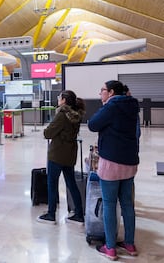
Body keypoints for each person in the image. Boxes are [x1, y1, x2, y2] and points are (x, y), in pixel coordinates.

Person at [88, 80, 139, 260]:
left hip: (111, 162)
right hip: (130, 161)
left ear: (110, 92)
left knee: (109, 204)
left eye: (102, 90)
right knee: (127, 203)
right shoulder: (132, 105)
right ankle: (130, 244)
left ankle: (110, 248)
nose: (100, 93)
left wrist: (104, 107)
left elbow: (92, 124)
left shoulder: (111, 106)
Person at [37, 90, 86, 225]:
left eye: (59, 97)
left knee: (52, 183)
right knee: (71, 184)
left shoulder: (62, 115)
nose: (58, 99)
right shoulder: (76, 115)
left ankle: (51, 214)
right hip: (69, 154)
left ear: (64, 100)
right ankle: (79, 214)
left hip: (57, 154)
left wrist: (47, 130)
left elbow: (48, 133)